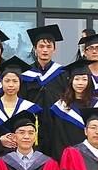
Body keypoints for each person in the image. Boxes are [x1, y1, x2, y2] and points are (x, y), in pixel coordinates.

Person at [0, 56, 43, 157]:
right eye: (7, 81)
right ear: (1, 82)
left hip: (23, 161)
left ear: (20, 83)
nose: (11, 85)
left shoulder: (31, 109)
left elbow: (39, 139)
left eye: (15, 81)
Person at [22, 25, 68, 157]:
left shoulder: (62, 73)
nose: (45, 50)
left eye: (49, 46)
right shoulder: (25, 74)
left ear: (54, 49)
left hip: (56, 125)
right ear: (35, 49)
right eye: (41, 46)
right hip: (32, 125)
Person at [50, 59, 98, 161]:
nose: (80, 83)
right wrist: (67, 159)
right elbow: (59, 138)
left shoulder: (97, 105)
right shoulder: (62, 106)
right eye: (77, 79)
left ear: (89, 82)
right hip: (69, 158)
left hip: (92, 159)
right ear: (71, 81)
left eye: (84, 79)